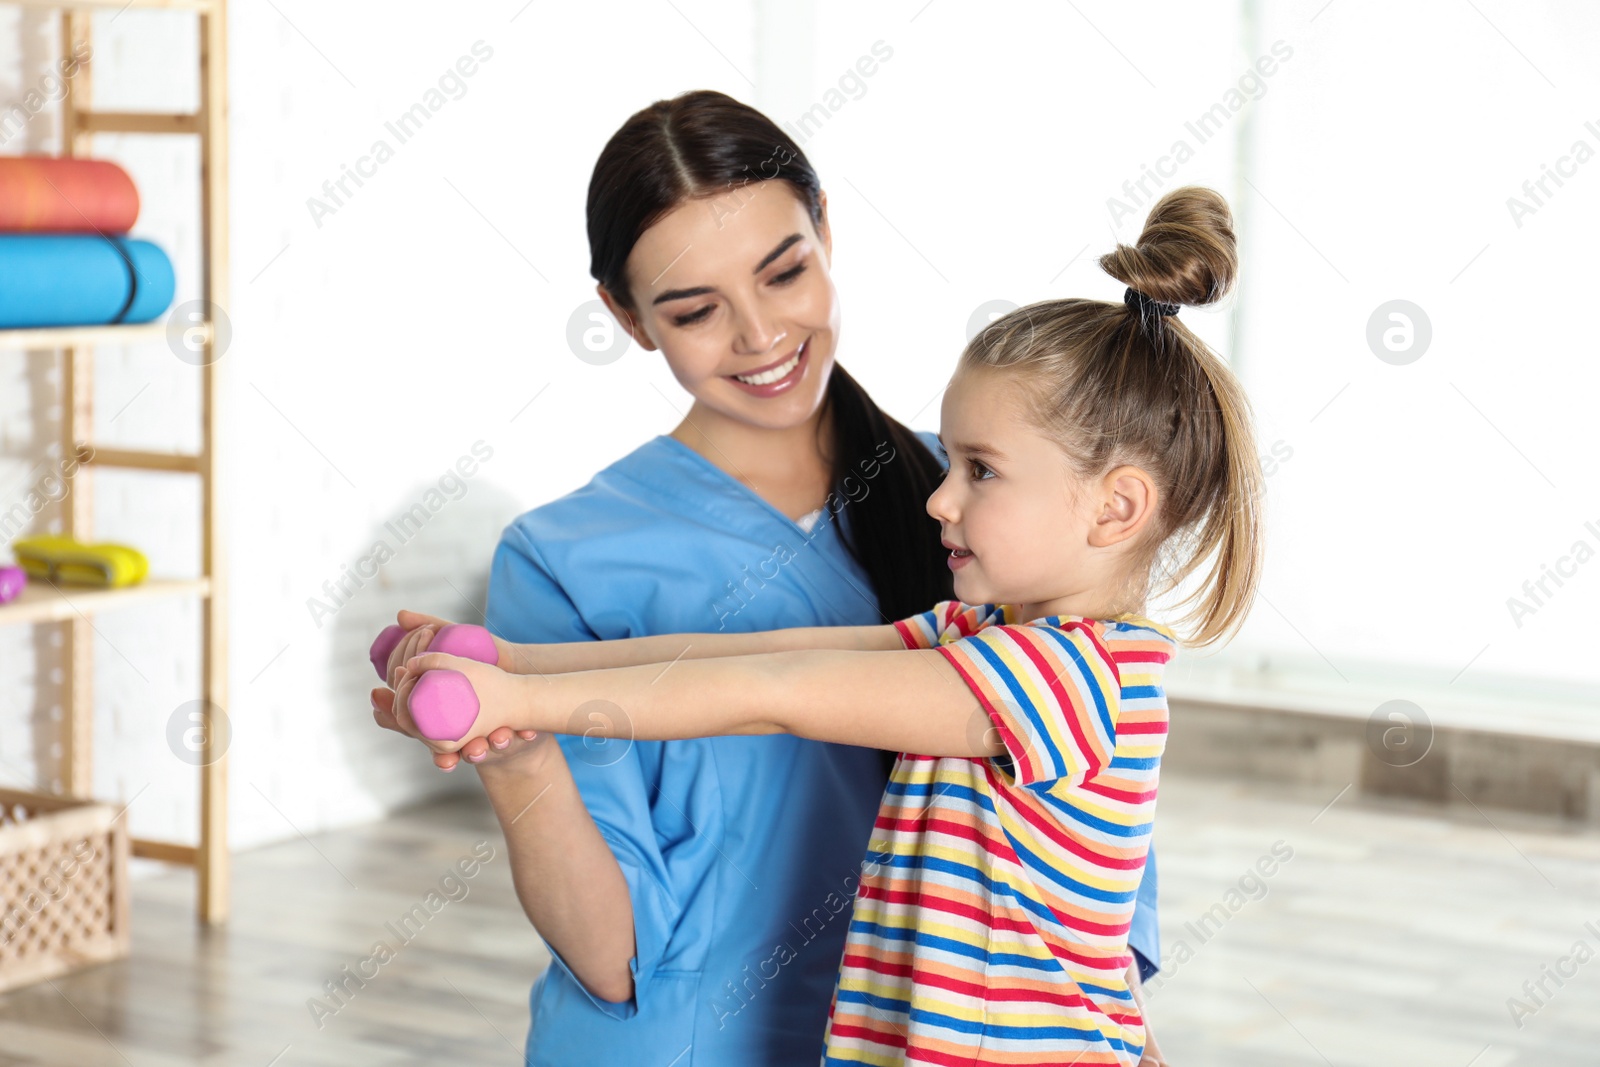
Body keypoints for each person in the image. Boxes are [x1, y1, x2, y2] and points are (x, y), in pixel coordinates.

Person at [371, 90, 1168, 1066]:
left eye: (783, 271)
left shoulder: (1003, 532)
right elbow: (615, 951)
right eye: (695, 308)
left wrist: (522, 683)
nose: (757, 335)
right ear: (626, 317)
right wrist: (517, 715)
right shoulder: (562, 555)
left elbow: (777, 691)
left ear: (825, 229)